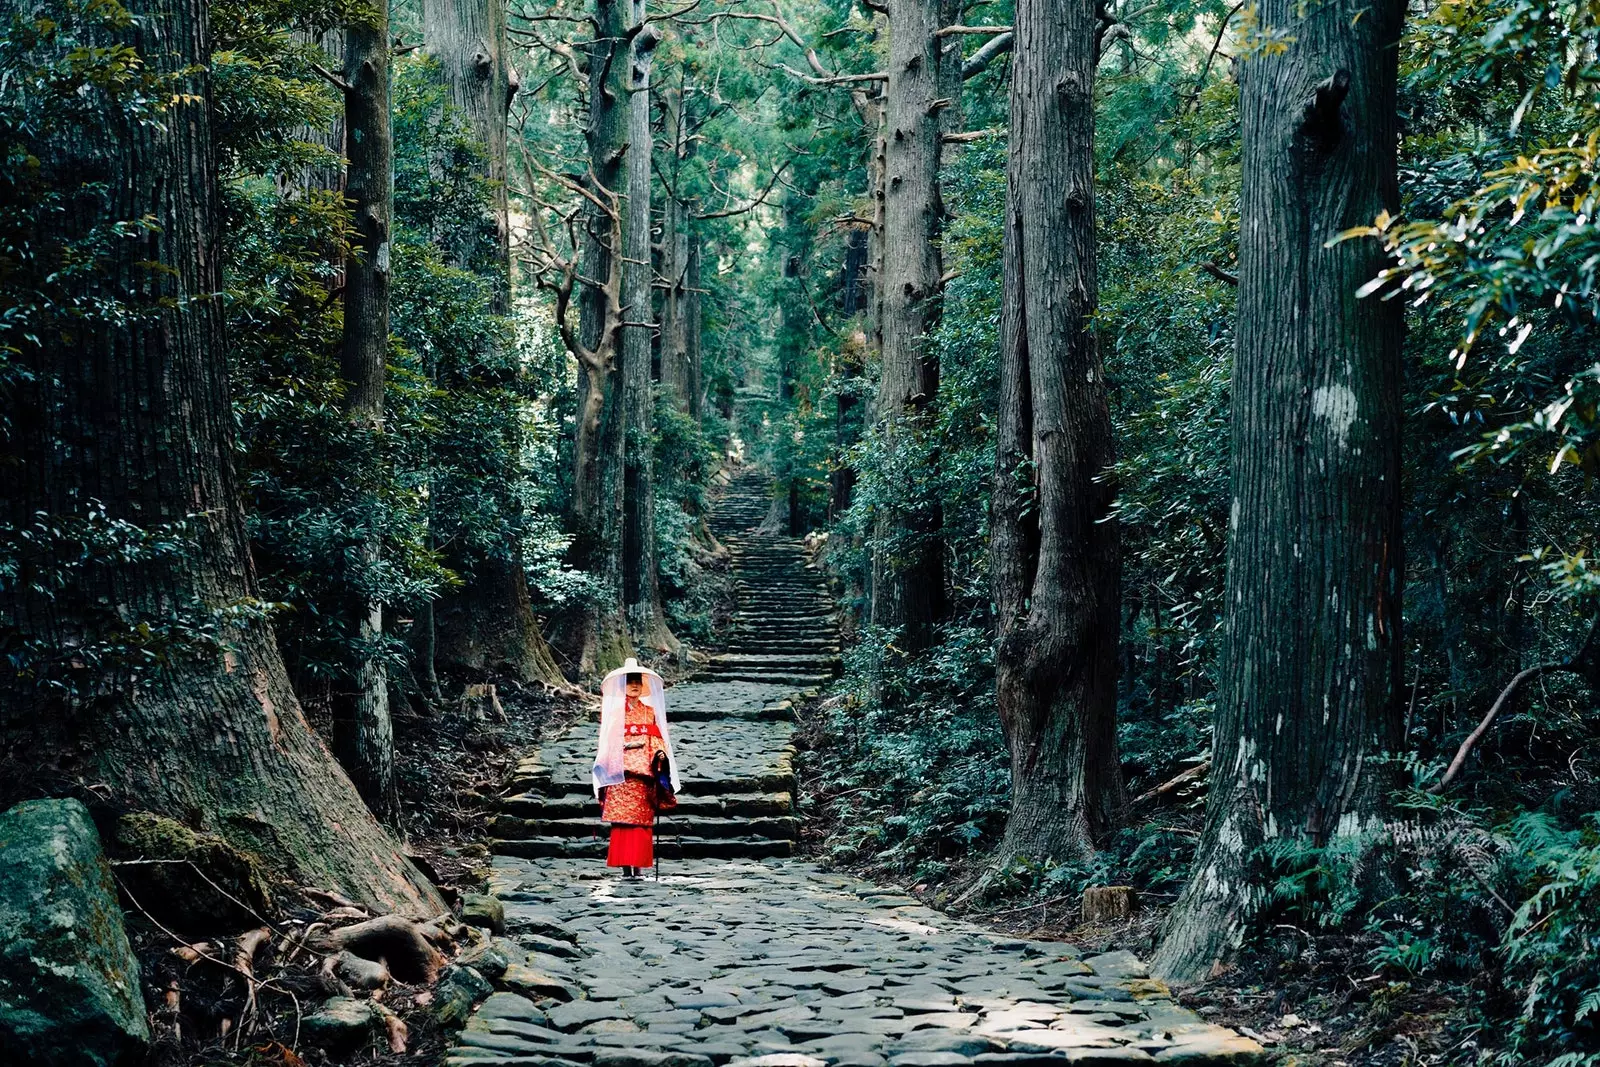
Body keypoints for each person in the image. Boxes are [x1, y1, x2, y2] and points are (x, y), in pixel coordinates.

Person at [592, 657, 680, 877]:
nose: (634, 685)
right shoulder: (615, 713)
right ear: (623, 685)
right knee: (622, 822)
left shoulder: (649, 712)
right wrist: (624, 752)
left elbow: (656, 738)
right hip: (621, 774)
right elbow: (609, 743)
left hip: (643, 774)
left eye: (637, 681)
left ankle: (638, 867)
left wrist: (659, 755)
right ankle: (624, 868)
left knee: (641, 822)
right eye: (630, 681)